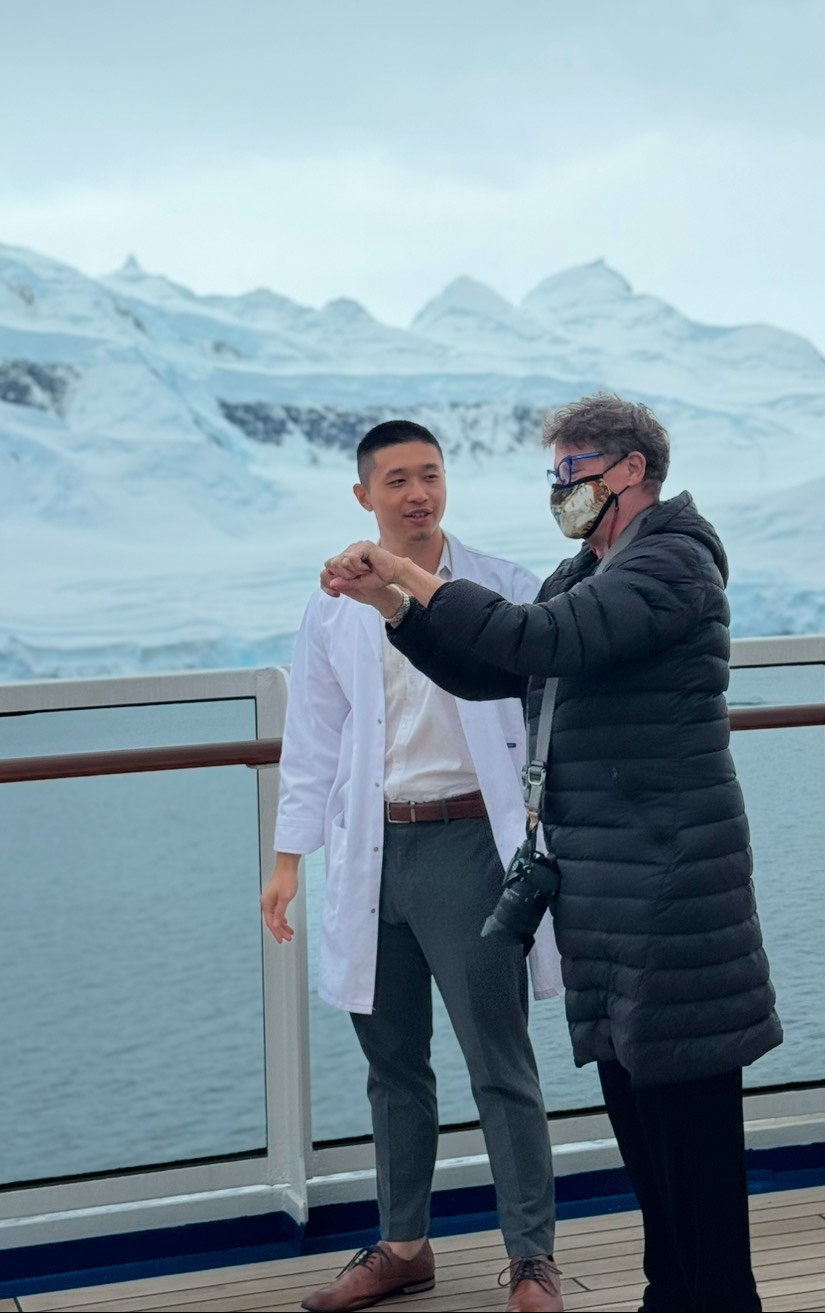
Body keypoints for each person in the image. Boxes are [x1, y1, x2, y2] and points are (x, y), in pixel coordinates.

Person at [322, 394, 782, 1313]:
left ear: (630, 472)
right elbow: (502, 670)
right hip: (610, 889)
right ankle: (670, 1297)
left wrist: (417, 583)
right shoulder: (589, 566)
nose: (560, 491)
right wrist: (396, 607)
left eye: (572, 474)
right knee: (646, 1137)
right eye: (555, 475)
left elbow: (544, 639)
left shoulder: (670, 560)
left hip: (673, 884)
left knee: (692, 1148)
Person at [263, 420, 565, 1313]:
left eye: (430, 474)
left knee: (497, 1059)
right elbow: (314, 738)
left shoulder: (498, 585)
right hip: (372, 851)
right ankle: (402, 1245)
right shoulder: (331, 607)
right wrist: (288, 859)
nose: (416, 492)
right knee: (391, 1062)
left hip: (470, 846)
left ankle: (532, 1258)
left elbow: (544, 688)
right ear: (365, 496)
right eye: (395, 479)